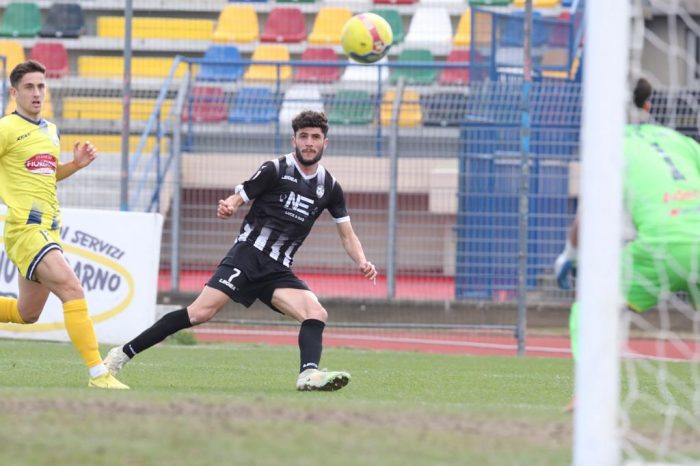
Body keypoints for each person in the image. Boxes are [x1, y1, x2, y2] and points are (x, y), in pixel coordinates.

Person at [105, 110, 377, 391]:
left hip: (278, 270)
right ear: (294, 139)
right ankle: (121, 354)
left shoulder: (330, 187)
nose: (309, 142)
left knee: (316, 313)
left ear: (325, 143)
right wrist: (230, 205)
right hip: (247, 255)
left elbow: (347, 234)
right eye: (303, 136)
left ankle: (308, 374)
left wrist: (362, 260)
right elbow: (241, 195)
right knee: (199, 313)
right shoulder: (275, 168)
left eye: (315, 137)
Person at [554, 77, 700, 410]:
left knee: (589, 306)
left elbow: (588, 216)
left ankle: (589, 392)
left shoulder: (607, 146)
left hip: (663, 243)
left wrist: (570, 256)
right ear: (648, 106)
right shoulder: (681, 141)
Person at [0, 60, 128, 389]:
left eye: (41, 86)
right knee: (72, 289)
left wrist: (75, 164)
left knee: (27, 313)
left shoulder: (51, 131)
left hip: (49, 228)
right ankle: (99, 373)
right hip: (26, 230)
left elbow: (48, 173)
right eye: (29, 87)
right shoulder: (6, 130)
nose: (37, 93)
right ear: (14, 92)